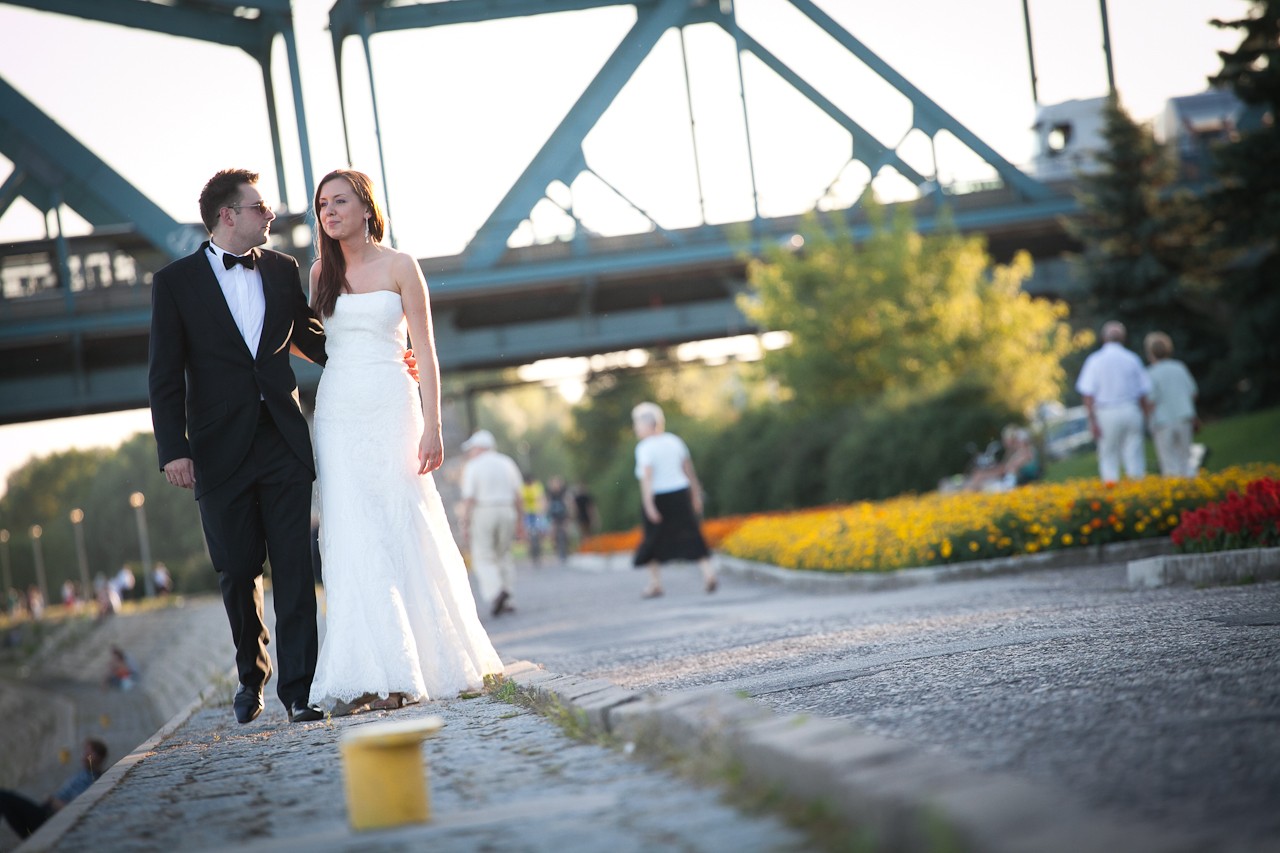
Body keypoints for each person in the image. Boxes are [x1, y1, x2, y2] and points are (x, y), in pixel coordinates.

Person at [305, 169, 503, 716]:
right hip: (339, 411)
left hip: (394, 405)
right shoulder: (320, 271)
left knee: (398, 523)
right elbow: (311, 341)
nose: (330, 212)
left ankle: (407, 672)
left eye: (340, 201)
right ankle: (367, 673)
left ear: (366, 207)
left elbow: (428, 350)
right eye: (323, 204)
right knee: (350, 534)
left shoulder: (401, 266)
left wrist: (433, 424)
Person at [149, 168, 328, 725]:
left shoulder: (282, 269)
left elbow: (309, 337)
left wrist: (374, 357)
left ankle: (299, 691)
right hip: (216, 450)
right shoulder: (175, 283)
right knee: (237, 568)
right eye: (260, 206)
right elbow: (165, 375)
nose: (270, 214)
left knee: (296, 567)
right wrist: (173, 449)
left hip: (282, 440)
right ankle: (252, 674)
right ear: (228, 215)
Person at [630, 402, 717, 598]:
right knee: (691, 534)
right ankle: (709, 574)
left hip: (658, 497)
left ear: (649, 424)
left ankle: (655, 583)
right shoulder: (674, 441)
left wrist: (649, 505)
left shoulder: (644, 447)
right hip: (680, 494)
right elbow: (689, 471)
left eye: (637, 424)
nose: (636, 428)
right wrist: (695, 495)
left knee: (652, 540)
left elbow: (647, 478)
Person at [1075, 321, 1153, 483]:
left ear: (1104, 338)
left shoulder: (1095, 361)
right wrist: (1146, 416)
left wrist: (1092, 421)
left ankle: (1112, 491)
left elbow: (1088, 394)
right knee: (1134, 455)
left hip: (1106, 412)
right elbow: (1143, 391)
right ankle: (1137, 490)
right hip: (1131, 410)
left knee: (1108, 455)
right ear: (1123, 338)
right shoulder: (1132, 358)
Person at [459, 429, 525, 617]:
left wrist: (464, 523)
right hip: (507, 510)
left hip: (484, 510)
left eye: (472, 448)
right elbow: (518, 496)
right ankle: (508, 597)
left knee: (483, 556)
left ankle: (496, 593)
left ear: (480, 448)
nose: (470, 452)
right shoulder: (507, 462)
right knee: (503, 555)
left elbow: (469, 498)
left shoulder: (473, 466)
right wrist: (520, 520)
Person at [0, 739, 107, 839]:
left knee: (3, 797)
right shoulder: (84, 773)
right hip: (45, 812)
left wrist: (52, 800)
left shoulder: (91, 780)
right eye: (84, 753)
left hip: (49, 818)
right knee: (7, 806)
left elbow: (74, 811)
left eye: (87, 753)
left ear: (97, 757)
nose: (83, 757)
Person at [1144, 331, 1200, 477]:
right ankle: (1193, 491)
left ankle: (1176, 496)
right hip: (1184, 417)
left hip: (1162, 421)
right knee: (1186, 459)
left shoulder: (1150, 373)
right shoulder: (1179, 367)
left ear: (1150, 353)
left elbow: (1150, 401)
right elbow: (1193, 393)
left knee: (1169, 463)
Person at [520, 472, 547, 566]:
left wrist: (543, 510)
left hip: (537, 513)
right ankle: (531, 553)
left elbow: (542, 498)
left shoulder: (537, 486)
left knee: (539, 532)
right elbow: (521, 501)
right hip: (527, 514)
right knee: (528, 534)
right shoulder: (523, 488)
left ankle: (540, 552)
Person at [545, 475, 572, 561]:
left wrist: (570, 512)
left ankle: (567, 548)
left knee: (566, 532)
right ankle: (556, 548)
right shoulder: (550, 494)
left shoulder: (564, 493)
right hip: (554, 516)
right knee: (553, 533)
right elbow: (547, 504)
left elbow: (568, 503)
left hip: (563, 515)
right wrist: (546, 511)